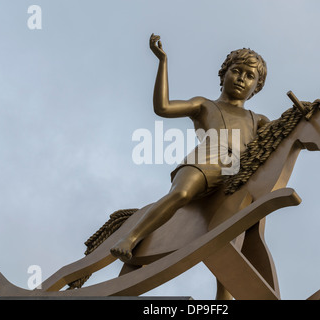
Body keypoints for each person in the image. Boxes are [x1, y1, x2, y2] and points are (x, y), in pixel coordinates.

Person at [110, 34, 270, 261]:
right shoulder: (204, 104)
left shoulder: (259, 120)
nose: (241, 78)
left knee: (236, 231)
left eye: (250, 76)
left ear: (257, 87)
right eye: (236, 70)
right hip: (205, 162)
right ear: (224, 73)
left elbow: (288, 131)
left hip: (236, 173)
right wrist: (162, 63)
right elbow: (163, 107)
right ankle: (130, 237)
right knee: (181, 193)